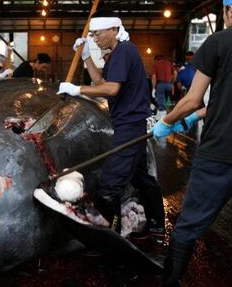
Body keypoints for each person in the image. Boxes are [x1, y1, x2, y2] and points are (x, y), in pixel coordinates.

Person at [47, 16, 165, 236]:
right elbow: (101, 82)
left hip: (130, 125)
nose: (95, 38)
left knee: (109, 187)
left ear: (113, 29)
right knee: (141, 176)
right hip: (128, 123)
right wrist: (86, 57)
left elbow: (111, 90)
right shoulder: (117, 55)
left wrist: (77, 89)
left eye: (97, 33)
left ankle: (107, 235)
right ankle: (157, 223)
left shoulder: (124, 51)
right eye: (92, 35)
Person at [153, 0, 232, 286]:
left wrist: (167, 122)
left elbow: (192, 99)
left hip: (219, 154)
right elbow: (216, 104)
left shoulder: (218, 42)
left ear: (227, 11)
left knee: (187, 226)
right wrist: (192, 121)